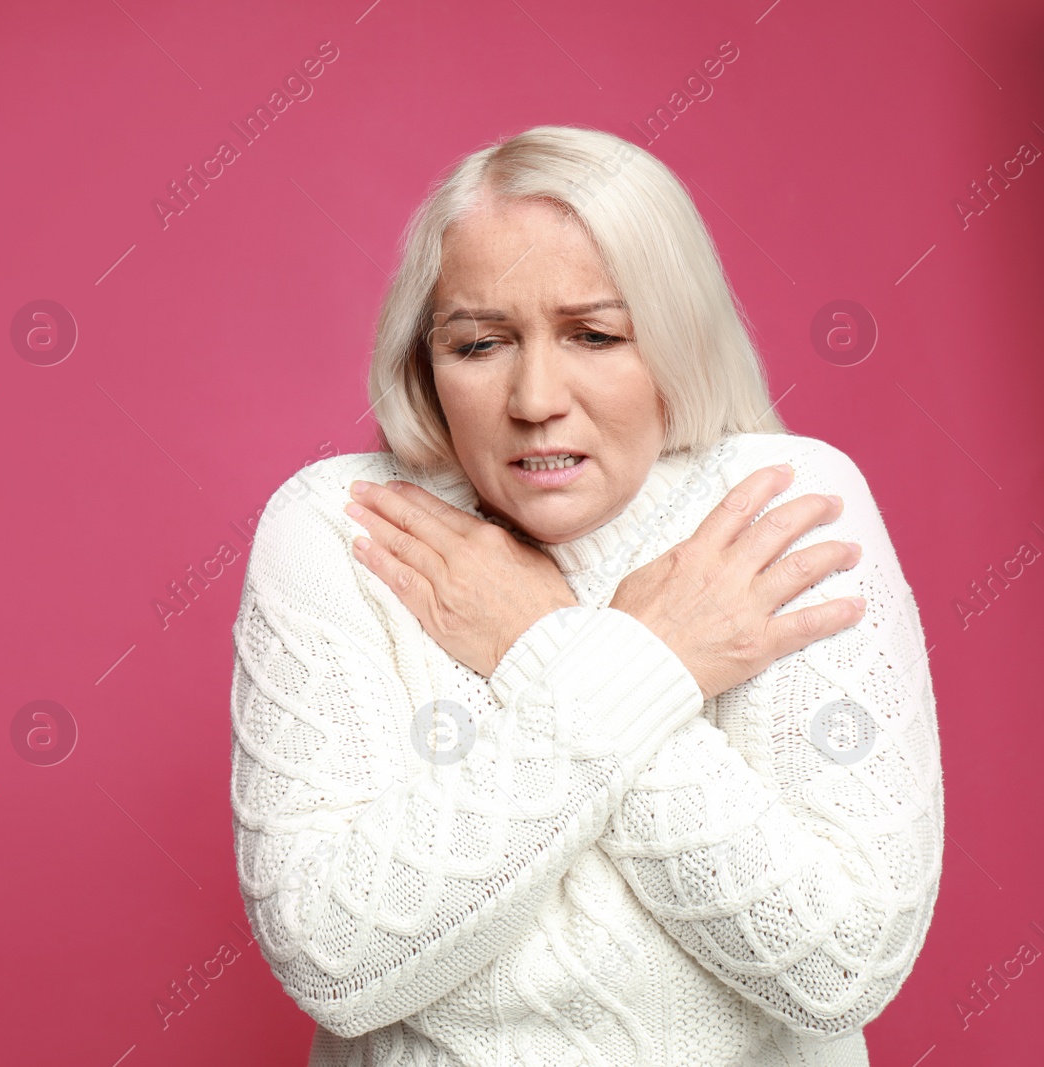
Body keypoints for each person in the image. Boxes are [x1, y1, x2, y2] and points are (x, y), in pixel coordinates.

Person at [229, 124, 943, 1066]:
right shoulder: (345, 525)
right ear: (427, 362)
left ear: (676, 337)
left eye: (594, 334)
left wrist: (541, 638)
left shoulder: (783, 507)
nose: (534, 397)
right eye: (480, 343)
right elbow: (335, 960)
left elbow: (839, 969)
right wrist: (649, 658)